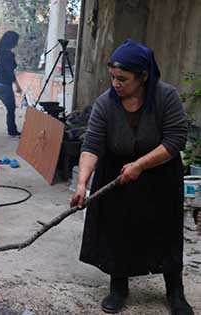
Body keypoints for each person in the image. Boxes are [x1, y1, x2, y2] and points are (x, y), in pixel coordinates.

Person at [70, 40, 193, 315]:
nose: (116, 84)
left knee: (165, 230)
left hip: (160, 173)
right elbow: (92, 144)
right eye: (113, 77)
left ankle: (175, 290)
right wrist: (82, 184)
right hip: (117, 173)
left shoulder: (166, 97)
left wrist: (140, 164)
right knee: (118, 228)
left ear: (144, 75)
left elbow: (175, 140)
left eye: (122, 78)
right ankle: (118, 286)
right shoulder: (105, 103)